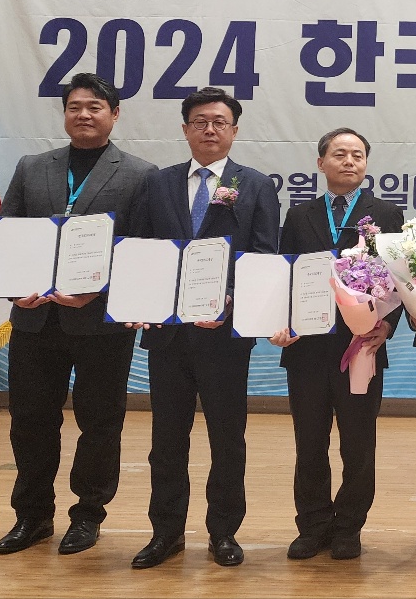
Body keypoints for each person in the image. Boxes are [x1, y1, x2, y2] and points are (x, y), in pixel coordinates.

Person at [0, 73, 155, 557]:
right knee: (30, 421)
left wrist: (95, 294)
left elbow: (141, 250)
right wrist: (14, 290)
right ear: (64, 113)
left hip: (100, 323)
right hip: (35, 318)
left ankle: (87, 515)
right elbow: (8, 234)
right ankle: (32, 516)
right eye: (74, 107)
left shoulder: (140, 174)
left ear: (115, 114)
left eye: (95, 107)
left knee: (100, 423)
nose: (83, 114)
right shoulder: (32, 167)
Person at [122, 86, 281, 569]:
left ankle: (223, 532)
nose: (209, 129)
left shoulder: (256, 186)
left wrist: (230, 299)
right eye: (200, 122)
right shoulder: (157, 183)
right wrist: (139, 299)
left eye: (219, 122)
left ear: (234, 130)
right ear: (185, 128)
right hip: (167, 334)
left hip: (223, 335)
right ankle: (166, 533)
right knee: (166, 440)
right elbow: (139, 249)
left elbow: (262, 256)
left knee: (227, 439)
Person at [272, 128, 405, 561]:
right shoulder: (299, 216)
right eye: (340, 154)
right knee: (310, 443)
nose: (349, 161)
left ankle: (349, 527)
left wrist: (387, 326)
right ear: (320, 163)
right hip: (307, 351)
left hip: (362, 347)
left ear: (366, 164)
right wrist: (281, 322)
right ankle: (312, 526)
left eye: (358, 155)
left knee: (358, 445)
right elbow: (285, 277)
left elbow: (402, 279)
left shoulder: (386, 213)